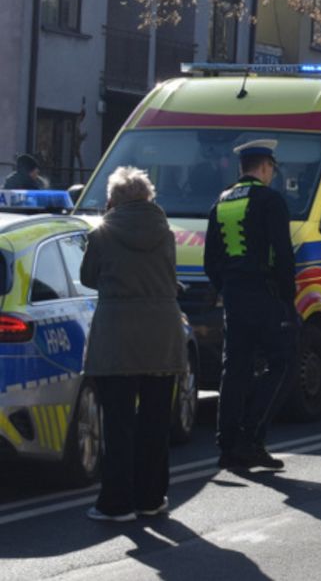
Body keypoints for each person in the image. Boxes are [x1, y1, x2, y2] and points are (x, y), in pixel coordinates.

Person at [81, 167, 187, 521]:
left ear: (112, 200)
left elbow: (87, 276)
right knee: (156, 420)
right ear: (148, 198)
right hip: (163, 333)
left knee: (119, 421)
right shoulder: (167, 233)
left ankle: (116, 503)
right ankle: (152, 498)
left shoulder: (104, 234)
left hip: (118, 335)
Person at [204, 139, 297, 471]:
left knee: (235, 370)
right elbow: (283, 254)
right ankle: (251, 438)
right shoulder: (270, 201)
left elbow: (210, 261)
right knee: (282, 363)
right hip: (266, 296)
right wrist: (287, 299)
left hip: (234, 296)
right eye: (272, 168)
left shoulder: (222, 202)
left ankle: (227, 446)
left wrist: (227, 287)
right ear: (265, 167)